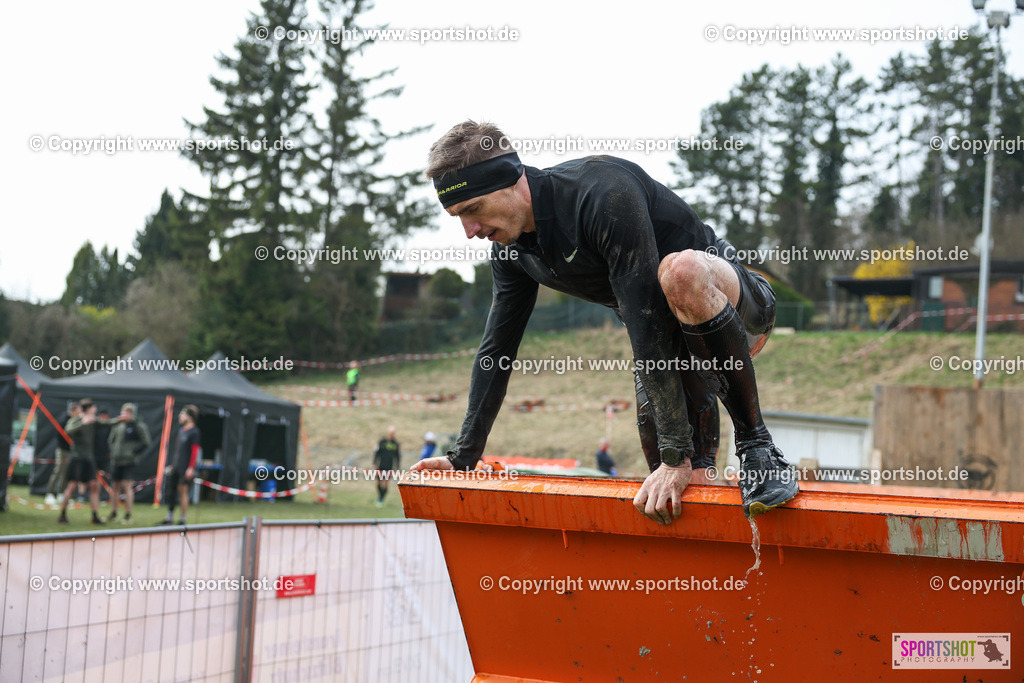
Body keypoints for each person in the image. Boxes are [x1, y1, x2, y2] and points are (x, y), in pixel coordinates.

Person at [412, 121, 799, 522]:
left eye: (472, 210)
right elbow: (497, 350)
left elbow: (645, 322)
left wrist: (673, 453)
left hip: (737, 309)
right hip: (671, 345)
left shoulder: (600, 192)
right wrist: (463, 457)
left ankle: (759, 449)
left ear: (512, 177)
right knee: (684, 493)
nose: (470, 231)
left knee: (679, 271)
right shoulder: (511, 253)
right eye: (458, 216)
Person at [57, 399, 109, 525]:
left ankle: (95, 516)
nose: (95, 409)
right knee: (72, 486)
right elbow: (67, 431)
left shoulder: (94, 420)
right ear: (89, 408)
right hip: (77, 458)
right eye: (93, 407)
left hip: (89, 459)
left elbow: (107, 423)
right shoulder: (77, 419)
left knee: (93, 486)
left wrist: (123, 419)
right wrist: (83, 423)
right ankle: (63, 514)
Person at [106, 403, 152, 524]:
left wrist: (133, 452)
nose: (124, 415)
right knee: (115, 487)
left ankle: (128, 514)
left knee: (127, 486)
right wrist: (112, 451)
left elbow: (146, 442)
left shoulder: (138, 426)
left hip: (129, 461)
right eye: (123, 412)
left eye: (126, 413)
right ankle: (113, 512)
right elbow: (111, 440)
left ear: (131, 414)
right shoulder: (118, 425)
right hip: (117, 460)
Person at [157, 405, 200, 526]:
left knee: (183, 492)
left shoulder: (194, 432)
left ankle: (182, 519)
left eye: (183, 414)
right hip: (176, 466)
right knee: (171, 491)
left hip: (185, 468)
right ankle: (169, 517)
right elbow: (178, 450)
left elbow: (195, 451)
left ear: (190, 417)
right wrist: (172, 465)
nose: (180, 416)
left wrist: (191, 467)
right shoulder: (181, 431)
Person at [44, 401, 79, 505]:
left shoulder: (75, 421)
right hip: (62, 450)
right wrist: (67, 445)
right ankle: (49, 493)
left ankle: (61, 493)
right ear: (73, 411)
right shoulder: (64, 420)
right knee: (58, 471)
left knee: (66, 472)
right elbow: (59, 436)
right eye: (78, 410)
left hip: (70, 451)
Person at [372, 426, 400, 507]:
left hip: (389, 467)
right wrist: (375, 463)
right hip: (381, 465)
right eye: (391, 433)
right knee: (378, 483)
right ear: (388, 432)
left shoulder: (395, 444)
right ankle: (380, 497)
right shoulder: (382, 441)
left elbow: (397, 456)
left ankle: (380, 500)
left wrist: (397, 467)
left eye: (393, 433)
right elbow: (377, 453)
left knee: (386, 483)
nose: (392, 434)